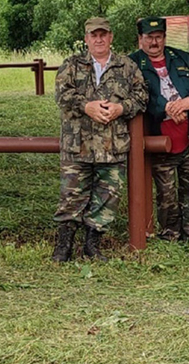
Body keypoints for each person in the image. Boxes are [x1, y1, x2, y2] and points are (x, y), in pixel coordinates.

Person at [52, 16, 149, 262]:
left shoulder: (126, 66)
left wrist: (121, 108)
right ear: (86, 39)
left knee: (107, 199)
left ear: (111, 37)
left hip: (112, 145)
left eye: (103, 34)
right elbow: (62, 96)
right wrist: (86, 106)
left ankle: (92, 246)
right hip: (78, 145)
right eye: (93, 35)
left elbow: (142, 97)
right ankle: (63, 247)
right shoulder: (71, 65)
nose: (99, 39)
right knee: (71, 197)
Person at [130, 16, 189, 244]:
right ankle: (171, 235)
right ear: (140, 39)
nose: (154, 42)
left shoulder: (182, 58)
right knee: (167, 192)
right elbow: (137, 96)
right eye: (149, 38)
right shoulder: (132, 64)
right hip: (160, 135)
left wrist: (187, 102)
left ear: (164, 37)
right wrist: (165, 106)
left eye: (158, 37)